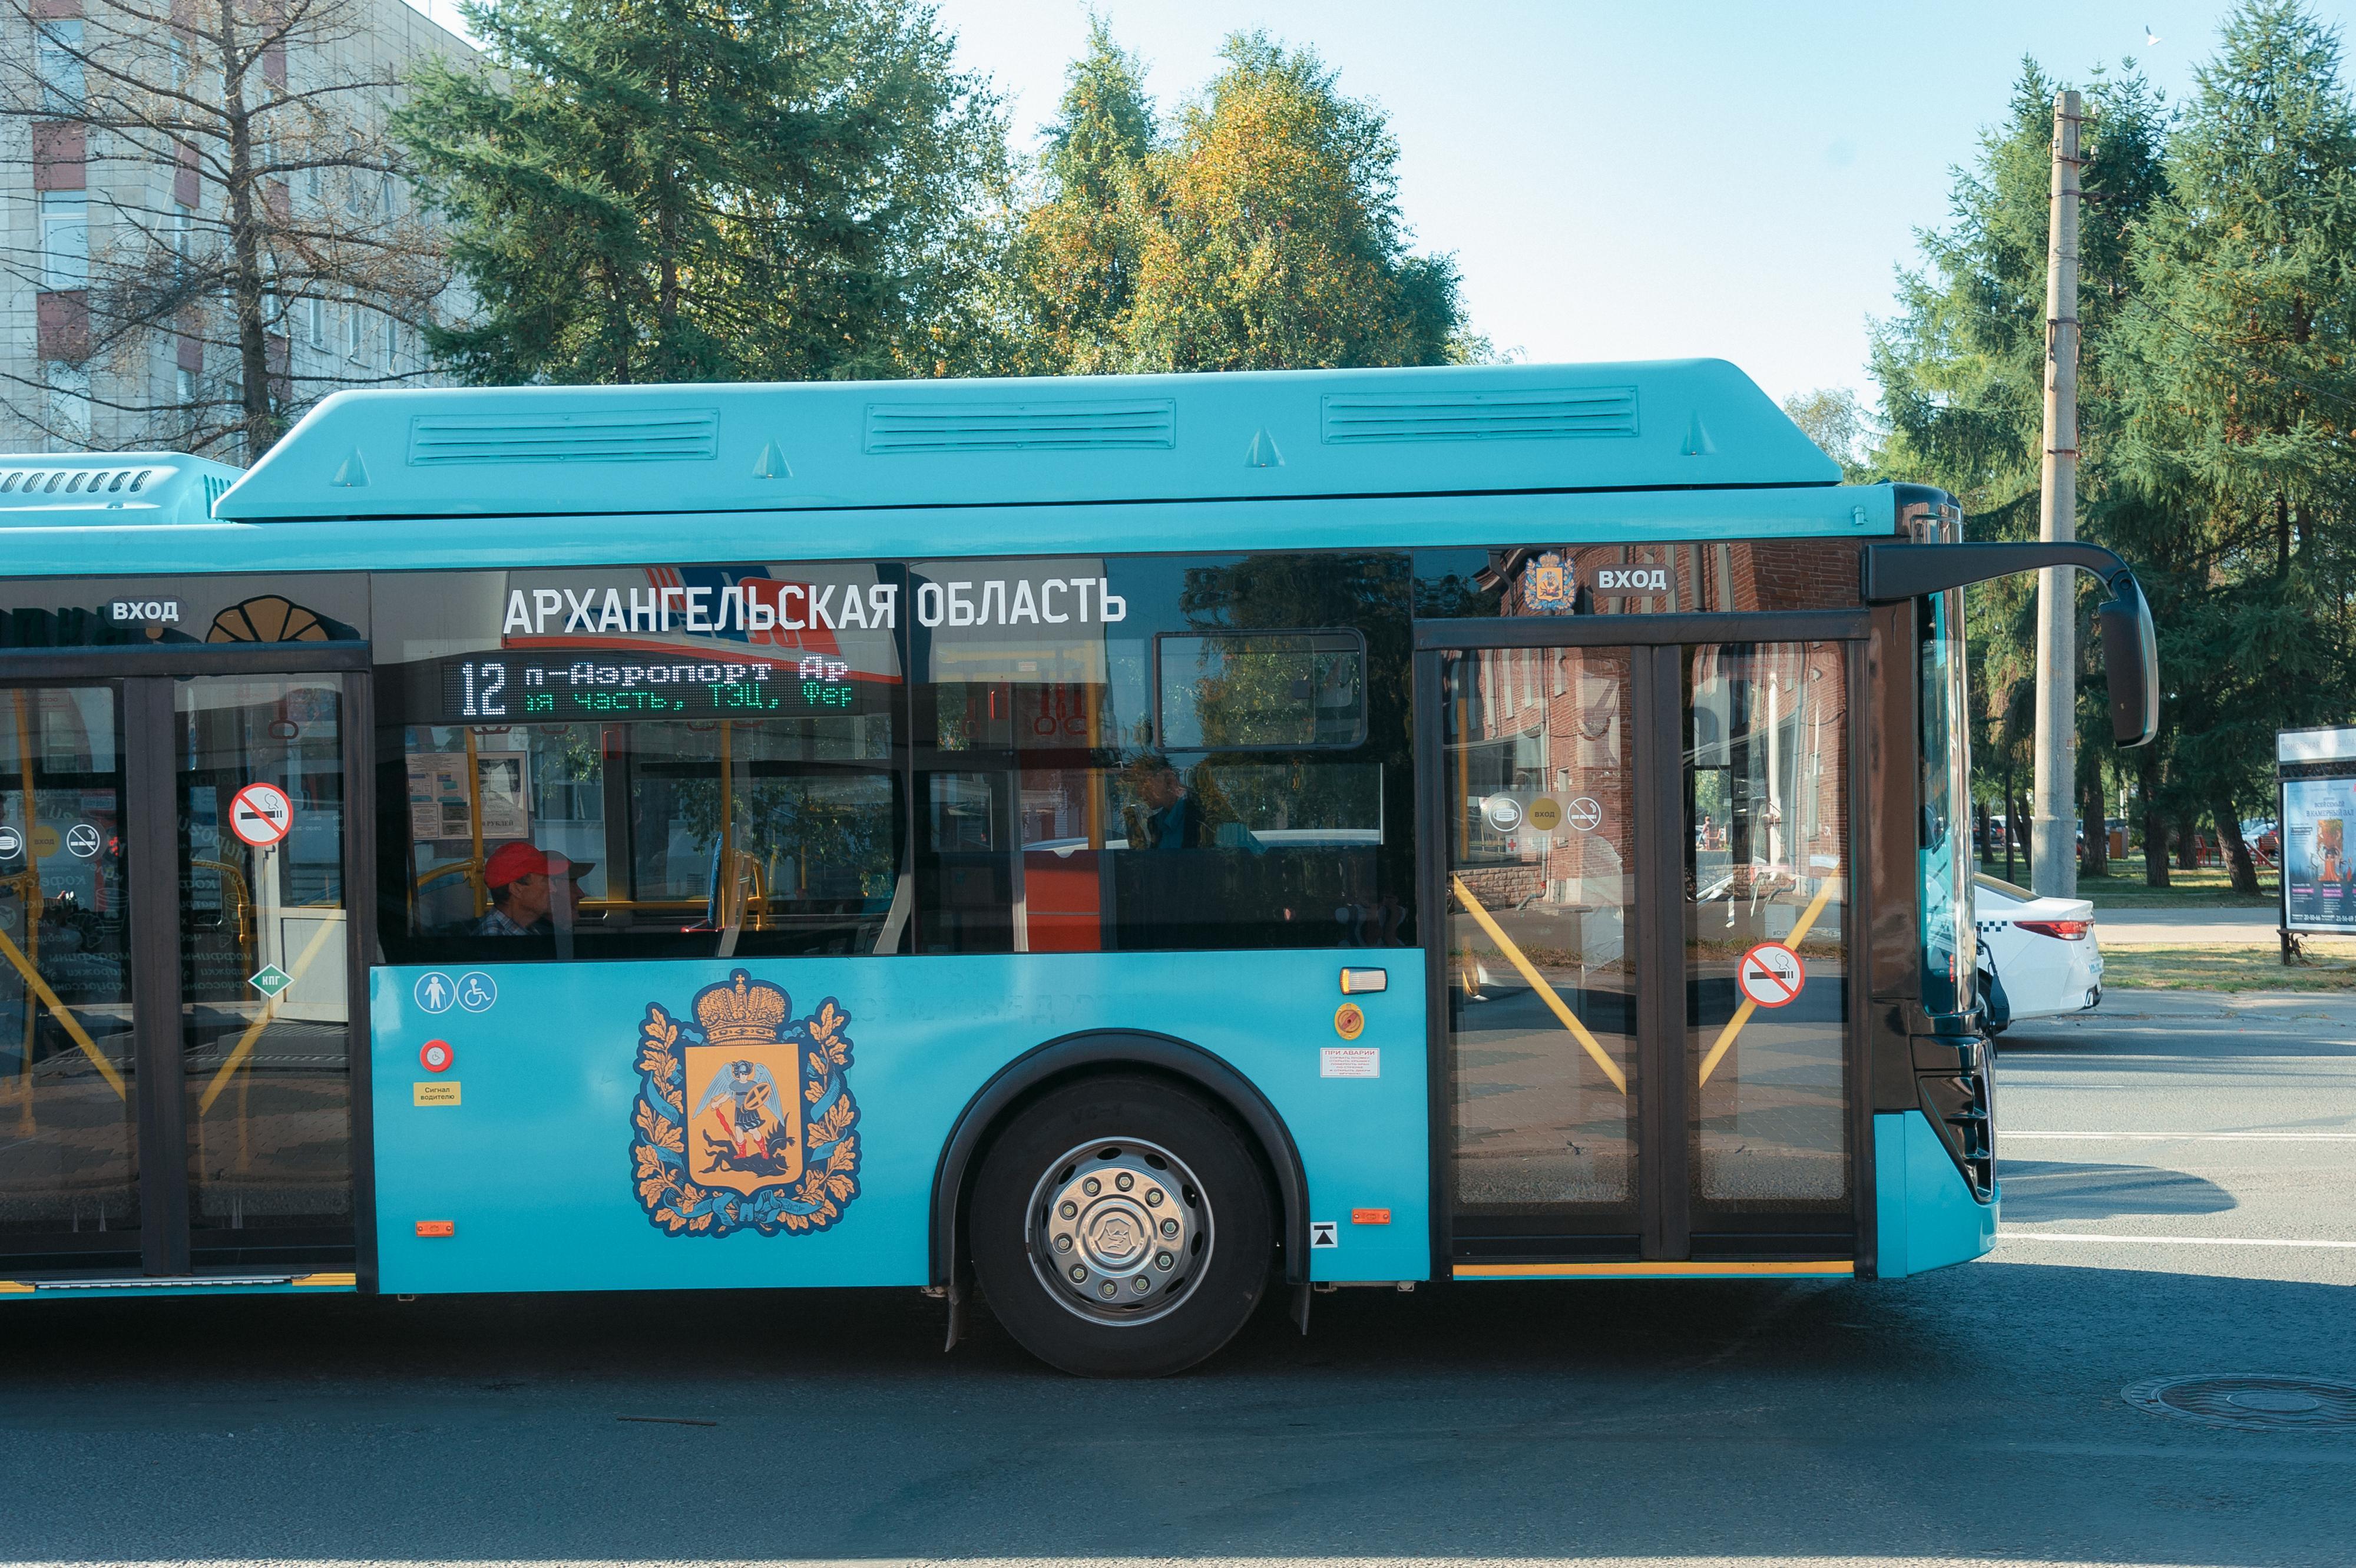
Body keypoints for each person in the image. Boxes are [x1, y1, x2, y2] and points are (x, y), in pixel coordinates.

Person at [475, 841, 590, 935]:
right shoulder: (494, 937)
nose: (553, 889)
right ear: (516, 889)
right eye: (545, 881)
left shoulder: (527, 930)